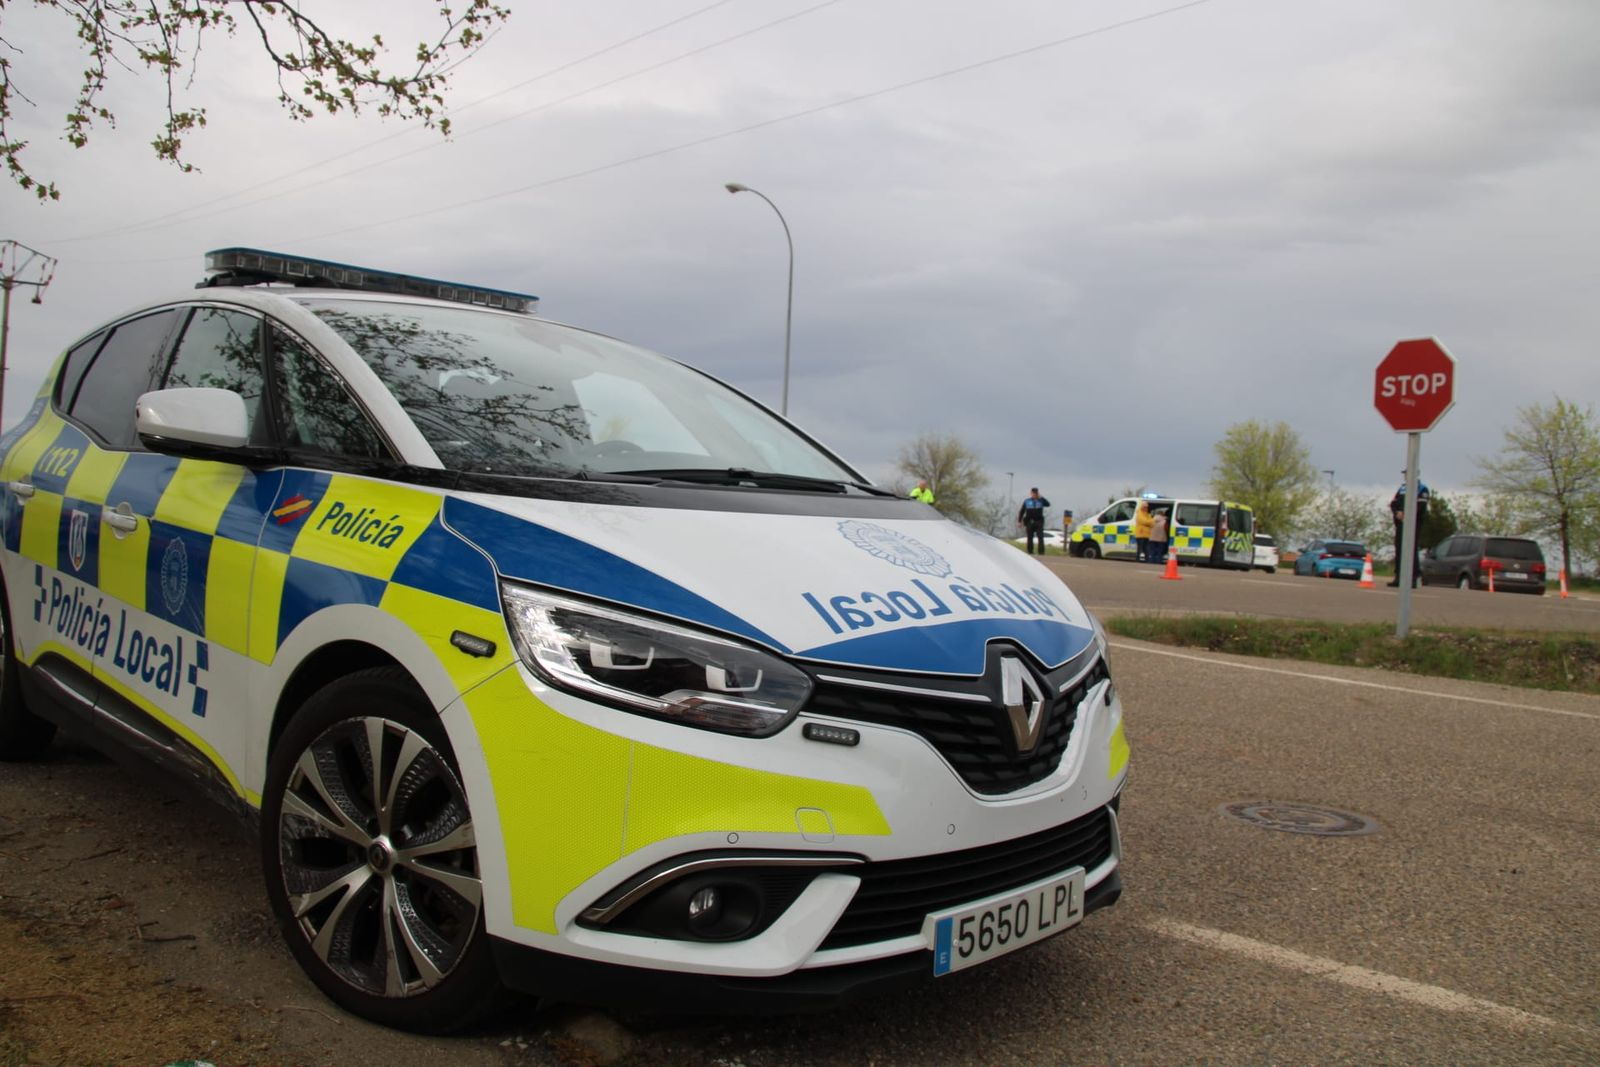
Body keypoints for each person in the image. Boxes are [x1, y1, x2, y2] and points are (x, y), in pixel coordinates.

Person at [1387, 474, 1430, 587]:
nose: (1406, 476)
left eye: (1408, 473)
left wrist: (1407, 513)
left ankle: (1413, 578)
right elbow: (1393, 503)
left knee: (1411, 549)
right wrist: (1397, 512)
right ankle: (1398, 578)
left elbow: (1421, 506)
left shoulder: (1421, 488)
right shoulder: (1402, 488)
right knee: (1399, 548)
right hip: (1401, 523)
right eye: (1405, 474)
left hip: (1414, 524)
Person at [1017, 487, 1051, 554]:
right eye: (1033, 493)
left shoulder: (1041, 500)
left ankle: (1041, 552)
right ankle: (1030, 551)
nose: (1034, 494)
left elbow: (1048, 504)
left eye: (1035, 493)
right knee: (1030, 537)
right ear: (1031, 493)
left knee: (1040, 537)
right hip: (1029, 521)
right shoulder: (1027, 501)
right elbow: (1022, 511)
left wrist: (1041, 497)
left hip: (1039, 521)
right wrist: (1019, 521)